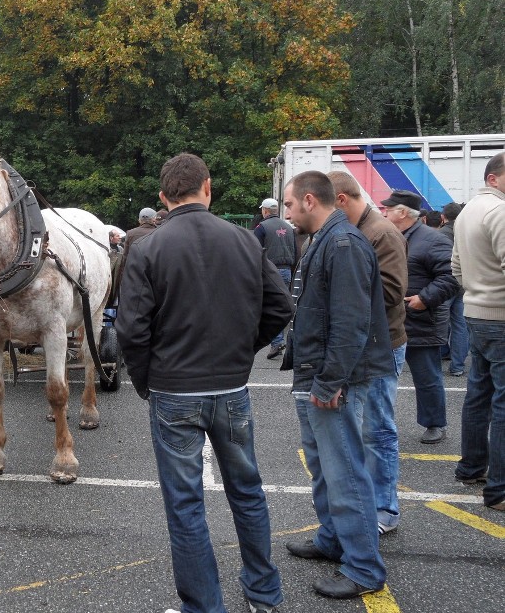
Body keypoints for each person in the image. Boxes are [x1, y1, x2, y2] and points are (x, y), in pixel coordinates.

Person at [116, 153, 293, 613]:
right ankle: (263, 592)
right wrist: (241, 352)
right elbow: (279, 308)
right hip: (230, 387)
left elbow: (131, 330)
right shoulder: (242, 240)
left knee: (185, 504)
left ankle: (204, 606)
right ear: (207, 188)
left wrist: (145, 382)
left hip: (174, 390)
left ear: (163, 198)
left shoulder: (147, 248)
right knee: (247, 491)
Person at [281, 171, 392, 599]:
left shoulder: (343, 244)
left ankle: (363, 568)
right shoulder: (326, 239)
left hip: (333, 380)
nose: (286, 214)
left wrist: (330, 382)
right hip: (316, 372)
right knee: (324, 468)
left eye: (289, 205)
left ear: (310, 200)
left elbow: (350, 324)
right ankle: (332, 539)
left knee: (345, 473)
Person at [330, 171, 409, 535]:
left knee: (377, 431)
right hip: (361, 345)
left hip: (380, 346)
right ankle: (364, 507)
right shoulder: (359, 230)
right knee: (359, 431)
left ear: (342, 200)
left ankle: (384, 511)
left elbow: (391, 294)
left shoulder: (382, 233)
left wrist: (341, 293)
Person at [382, 190, 459, 444]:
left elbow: (451, 277)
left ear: (403, 213)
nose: (384, 213)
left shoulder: (432, 240)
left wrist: (424, 299)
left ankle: (435, 424)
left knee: (427, 377)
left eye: (389, 209)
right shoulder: (390, 236)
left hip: (421, 321)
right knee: (380, 377)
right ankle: (380, 421)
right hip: (392, 321)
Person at [452, 151, 505, 510]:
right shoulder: (500, 211)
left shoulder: (468, 210)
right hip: (500, 316)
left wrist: (474, 293)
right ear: (493, 178)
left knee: (478, 393)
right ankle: (499, 489)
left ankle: (471, 467)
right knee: (501, 403)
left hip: (476, 313)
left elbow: (456, 266)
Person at [253, 197, 297, 360]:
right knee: (281, 306)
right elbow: (296, 251)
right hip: (286, 271)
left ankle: (274, 341)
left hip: (269, 272)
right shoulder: (288, 227)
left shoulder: (262, 228)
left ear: (265, 211)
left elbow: (255, 250)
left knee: (266, 306)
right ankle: (278, 341)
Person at [438, 202, 469, 376]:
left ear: (444, 217)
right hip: (462, 282)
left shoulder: (441, 234)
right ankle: (458, 366)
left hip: (445, 282)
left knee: (440, 322)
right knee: (460, 325)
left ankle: (442, 353)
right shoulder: (467, 231)